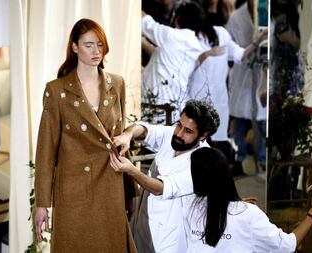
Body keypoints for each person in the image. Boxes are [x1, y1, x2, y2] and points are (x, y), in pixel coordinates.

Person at [33, 18, 136, 252]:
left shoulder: (116, 84)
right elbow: (45, 152)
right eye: (88, 45)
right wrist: (42, 204)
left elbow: (121, 141)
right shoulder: (57, 91)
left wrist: (128, 191)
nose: (96, 51)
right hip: (73, 190)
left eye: (100, 45)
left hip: (110, 182)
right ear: (74, 47)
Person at [109, 100, 220, 252]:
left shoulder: (204, 162)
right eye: (179, 124)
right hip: (142, 219)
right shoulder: (174, 135)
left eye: (188, 131)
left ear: (203, 135)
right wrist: (127, 135)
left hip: (166, 235)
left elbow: (161, 188)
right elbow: (144, 129)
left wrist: (131, 170)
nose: (179, 133)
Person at [184, 147, 312, 252]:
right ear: (226, 174)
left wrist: (236, 205)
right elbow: (288, 246)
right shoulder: (248, 214)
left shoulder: (190, 206)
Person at [187, 2, 267, 175]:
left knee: (216, 142)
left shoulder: (222, 34)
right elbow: (187, 66)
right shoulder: (192, 36)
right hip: (196, 96)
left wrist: (258, 41)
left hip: (218, 98)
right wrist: (207, 54)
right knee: (195, 142)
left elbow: (240, 55)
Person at [226, 0, 267, 171]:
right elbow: (230, 49)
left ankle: (263, 158)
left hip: (262, 76)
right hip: (242, 74)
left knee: (262, 124)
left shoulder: (267, 12)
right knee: (240, 123)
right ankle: (240, 157)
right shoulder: (236, 18)